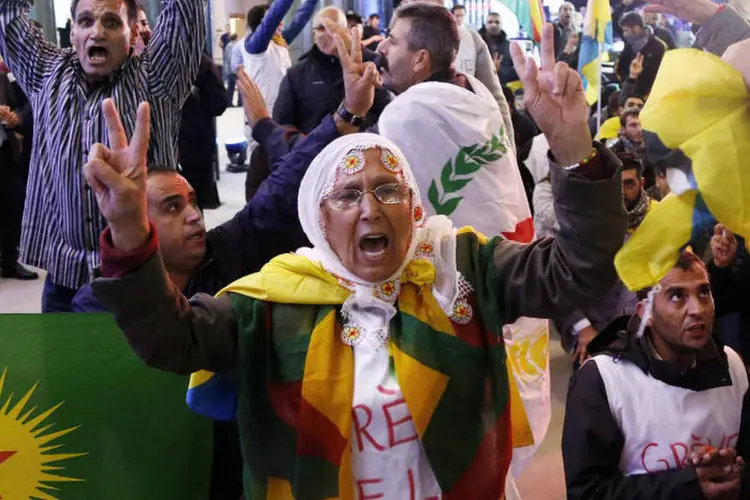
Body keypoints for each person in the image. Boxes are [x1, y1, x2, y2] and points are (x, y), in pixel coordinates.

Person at [85, 20, 626, 499]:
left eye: (388, 189)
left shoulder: (461, 265)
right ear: (320, 221)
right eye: (347, 196)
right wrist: (131, 234)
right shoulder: (276, 301)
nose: (370, 208)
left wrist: (576, 148)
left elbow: (579, 271)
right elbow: (169, 339)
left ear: (414, 206)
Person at [0, 0, 206, 312]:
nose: (97, 32)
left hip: (133, 279)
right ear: (72, 32)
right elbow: (8, 12)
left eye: (111, 22)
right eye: (85, 22)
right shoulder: (45, 73)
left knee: (121, 362)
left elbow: (184, 9)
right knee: (60, 361)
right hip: (62, 279)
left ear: (134, 30)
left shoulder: (159, 78)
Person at [563, 251, 750, 500]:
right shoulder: (603, 380)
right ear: (645, 313)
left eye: (704, 292)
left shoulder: (733, 366)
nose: (697, 309)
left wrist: (734, 473)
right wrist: (689, 485)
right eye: (677, 296)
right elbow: (587, 492)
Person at [553, 154, 657, 364]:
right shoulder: (583, 221)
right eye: (616, 185)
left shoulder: (659, 218)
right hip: (593, 331)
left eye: (628, 184)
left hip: (646, 331)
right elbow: (559, 280)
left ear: (642, 183)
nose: (621, 193)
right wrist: (583, 328)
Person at [273, 6, 390, 134]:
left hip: (362, 148)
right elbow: (282, 126)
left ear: (346, 32)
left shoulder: (371, 65)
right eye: (322, 28)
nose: (329, 33)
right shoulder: (296, 74)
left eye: (335, 27)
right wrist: (306, 145)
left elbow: (387, 112)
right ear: (314, 34)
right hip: (314, 150)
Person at [239, 0, 317, 116]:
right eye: (277, 21)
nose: (281, 23)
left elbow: (300, 18)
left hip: (283, 110)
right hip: (264, 115)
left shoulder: (279, 41)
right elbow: (275, 14)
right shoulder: (255, 45)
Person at [178, 53, 228, 210]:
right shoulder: (202, 63)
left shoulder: (153, 58)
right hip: (195, 141)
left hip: (163, 143)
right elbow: (218, 103)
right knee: (194, 200)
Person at [0, 64, 36, 280]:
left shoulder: (3, 78)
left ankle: (10, 262)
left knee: (14, 203)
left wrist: (15, 118)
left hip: (4, 150)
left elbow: (21, 107)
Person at [616, 12, 667, 98]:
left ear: (636, 28)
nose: (624, 34)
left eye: (626, 30)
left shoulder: (659, 46)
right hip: (628, 93)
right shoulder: (629, 45)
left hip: (650, 96)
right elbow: (621, 68)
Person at [479, 12, 517, 83]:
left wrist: (499, 70)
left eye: (497, 22)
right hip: (480, 86)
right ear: (485, 25)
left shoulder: (509, 46)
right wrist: (489, 69)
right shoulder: (477, 44)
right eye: (490, 22)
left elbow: (516, 72)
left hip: (502, 87)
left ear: (501, 25)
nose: (493, 25)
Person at [223, 33, 239, 106]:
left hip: (230, 69)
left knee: (231, 87)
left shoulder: (229, 46)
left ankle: (230, 102)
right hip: (232, 70)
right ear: (235, 38)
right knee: (234, 87)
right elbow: (230, 58)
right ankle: (232, 102)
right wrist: (235, 68)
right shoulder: (231, 46)